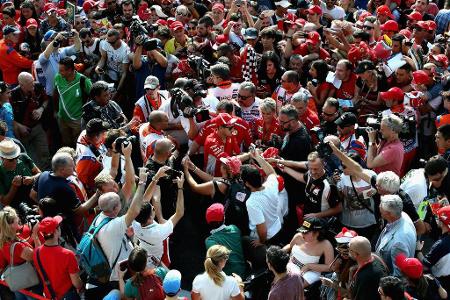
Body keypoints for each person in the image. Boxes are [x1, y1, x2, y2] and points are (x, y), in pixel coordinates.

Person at [84, 167, 148, 299]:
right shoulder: (114, 225)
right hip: (118, 276)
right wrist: (141, 183)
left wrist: (128, 237)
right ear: (115, 209)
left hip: (110, 270)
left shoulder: (100, 217)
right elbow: (135, 211)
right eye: (119, 203)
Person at [133, 167, 184, 268]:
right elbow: (179, 213)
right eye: (152, 208)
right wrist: (180, 188)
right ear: (150, 218)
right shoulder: (159, 231)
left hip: (144, 255)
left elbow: (144, 200)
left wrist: (156, 177)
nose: (153, 207)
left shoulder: (135, 222)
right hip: (156, 263)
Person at [33, 216, 83, 299]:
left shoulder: (36, 252)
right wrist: (82, 286)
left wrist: (35, 234)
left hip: (50, 296)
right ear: (56, 231)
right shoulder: (68, 254)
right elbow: (77, 283)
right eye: (58, 226)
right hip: (68, 296)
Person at [281, 151, 342, 219]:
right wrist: (284, 168)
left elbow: (339, 208)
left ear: (323, 165)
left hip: (321, 224)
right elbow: (300, 177)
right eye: (310, 168)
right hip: (308, 219)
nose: (313, 172)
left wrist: (317, 215)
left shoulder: (329, 186)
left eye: (316, 169)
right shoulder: (309, 174)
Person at [10, 72, 50, 170]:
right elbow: (6, 116)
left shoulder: (37, 86)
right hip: (22, 132)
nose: (33, 84)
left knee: (44, 151)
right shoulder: (13, 95)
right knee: (28, 156)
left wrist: (41, 109)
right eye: (29, 82)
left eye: (33, 80)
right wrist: (19, 126)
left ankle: (47, 171)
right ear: (21, 84)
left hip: (37, 126)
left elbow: (46, 100)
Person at [0, 206, 41, 300]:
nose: (18, 219)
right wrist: (35, 235)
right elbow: (38, 256)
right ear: (10, 225)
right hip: (30, 285)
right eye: (16, 218)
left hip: (18, 284)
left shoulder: (4, 241)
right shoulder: (18, 247)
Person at [283, 217, 334, 287]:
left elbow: (329, 267)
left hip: (311, 272)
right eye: (302, 230)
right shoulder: (298, 236)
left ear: (317, 233)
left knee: (294, 286)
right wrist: (279, 252)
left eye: (306, 232)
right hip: (291, 264)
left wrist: (309, 266)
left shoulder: (326, 245)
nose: (302, 233)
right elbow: (290, 246)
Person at [54, 57, 93, 148]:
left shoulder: (83, 81)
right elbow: (55, 93)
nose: (59, 73)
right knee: (66, 142)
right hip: (62, 118)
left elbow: (93, 97)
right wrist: (55, 111)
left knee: (78, 144)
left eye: (62, 71)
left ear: (71, 70)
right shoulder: (58, 77)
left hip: (78, 120)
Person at [375, 195, 417, 276]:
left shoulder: (399, 243)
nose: (379, 207)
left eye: (381, 210)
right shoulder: (402, 215)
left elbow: (398, 275)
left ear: (388, 214)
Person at [204, 203, 247, 278]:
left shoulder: (210, 241)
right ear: (223, 218)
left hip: (227, 279)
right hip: (243, 273)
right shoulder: (235, 229)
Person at [416, 205, 450, 294]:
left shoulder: (441, 244)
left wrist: (418, 250)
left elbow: (425, 266)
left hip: (440, 284)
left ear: (443, 222)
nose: (436, 219)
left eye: (438, 217)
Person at [0, 140, 40, 208]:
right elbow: (4, 202)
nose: (15, 161)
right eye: (11, 159)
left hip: (35, 202)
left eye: (16, 157)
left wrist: (32, 179)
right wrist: (14, 186)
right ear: (2, 158)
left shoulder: (23, 157)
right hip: (17, 208)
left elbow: (40, 174)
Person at [75, 118, 109, 196]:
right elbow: (82, 181)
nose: (105, 135)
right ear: (96, 137)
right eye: (103, 133)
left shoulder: (85, 134)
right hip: (95, 189)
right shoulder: (87, 157)